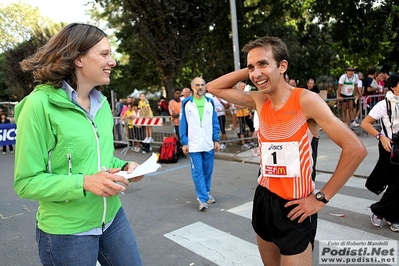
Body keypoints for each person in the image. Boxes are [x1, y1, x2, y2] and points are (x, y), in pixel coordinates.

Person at [206, 36, 367, 265]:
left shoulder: (306, 100)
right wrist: (254, 69)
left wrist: (321, 198)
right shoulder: (260, 100)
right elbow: (214, 87)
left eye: (264, 63)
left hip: (296, 206)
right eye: (252, 67)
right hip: (264, 199)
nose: (256, 73)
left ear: (283, 66)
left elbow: (356, 149)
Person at [15, 23, 143, 265]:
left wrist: (125, 167)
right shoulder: (39, 105)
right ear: (78, 58)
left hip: (112, 219)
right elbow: (26, 182)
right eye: (104, 54)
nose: (113, 61)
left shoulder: (102, 105)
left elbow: (101, 161)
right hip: (67, 233)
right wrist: (85, 183)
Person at [360, 73, 399, 233]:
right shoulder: (384, 105)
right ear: (394, 86)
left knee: (397, 184)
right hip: (389, 147)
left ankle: (388, 214)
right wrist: (380, 136)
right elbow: (365, 123)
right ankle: (385, 213)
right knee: (395, 183)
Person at [180, 77, 221, 211]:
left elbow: (215, 122)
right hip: (193, 145)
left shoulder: (210, 102)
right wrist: (184, 142)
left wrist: (216, 139)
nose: (200, 87)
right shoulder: (186, 103)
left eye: (202, 85)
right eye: (197, 85)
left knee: (207, 171)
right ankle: (202, 199)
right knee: (197, 172)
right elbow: (182, 124)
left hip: (208, 143)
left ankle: (207, 193)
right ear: (192, 87)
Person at [235, 81, 255, 149]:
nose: (243, 87)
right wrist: (242, 106)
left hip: (246, 113)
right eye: (241, 86)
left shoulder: (246, 94)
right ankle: (243, 143)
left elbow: (248, 103)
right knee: (242, 129)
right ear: (238, 87)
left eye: (244, 86)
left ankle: (249, 140)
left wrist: (250, 112)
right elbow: (235, 104)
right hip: (240, 114)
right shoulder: (236, 94)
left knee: (252, 127)